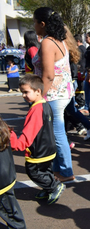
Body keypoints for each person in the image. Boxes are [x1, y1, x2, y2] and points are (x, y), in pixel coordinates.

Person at [32, 7, 75, 182]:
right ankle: (60, 169)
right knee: (56, 132)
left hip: (54, 94)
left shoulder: (48, 43)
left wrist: (39, 96)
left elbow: (48, 75)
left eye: (34, 22)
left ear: (42, 24)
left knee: (57, 133)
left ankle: (66, 172)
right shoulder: (59, 40)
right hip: (61, 92)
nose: (33, 26)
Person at [10, 74, 66, 204]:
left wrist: (13, 138)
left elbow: (27, 136)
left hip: (39, 150)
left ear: (38, 91)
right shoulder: (44, 105)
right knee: (44, 171)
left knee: (34, 172)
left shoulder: (36, 110)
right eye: (22, 92)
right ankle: (48, 189)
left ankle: (53, 187)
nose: (23, 95)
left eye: (26, 92)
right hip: (48, 147)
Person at [64, 26, 90, 142]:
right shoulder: (69, 48)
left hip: (62, 84)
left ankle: (64, 139)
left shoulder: (67, 48)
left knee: (67, 109)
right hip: (65, 82)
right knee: (69, 109)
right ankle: (85, 127)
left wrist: (82, 73)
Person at [0, 117, 27, 229]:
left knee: (10, 212)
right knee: (10, 209)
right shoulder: (4, 127)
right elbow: (14, 144)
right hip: (6, 175)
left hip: (2, 182)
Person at [74, 34, 87, 110]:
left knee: (79, 87)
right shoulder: (84, 48)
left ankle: (81, 103)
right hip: (82, 69)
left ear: (78, 41)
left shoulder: (79, 49)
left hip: (80, 70)